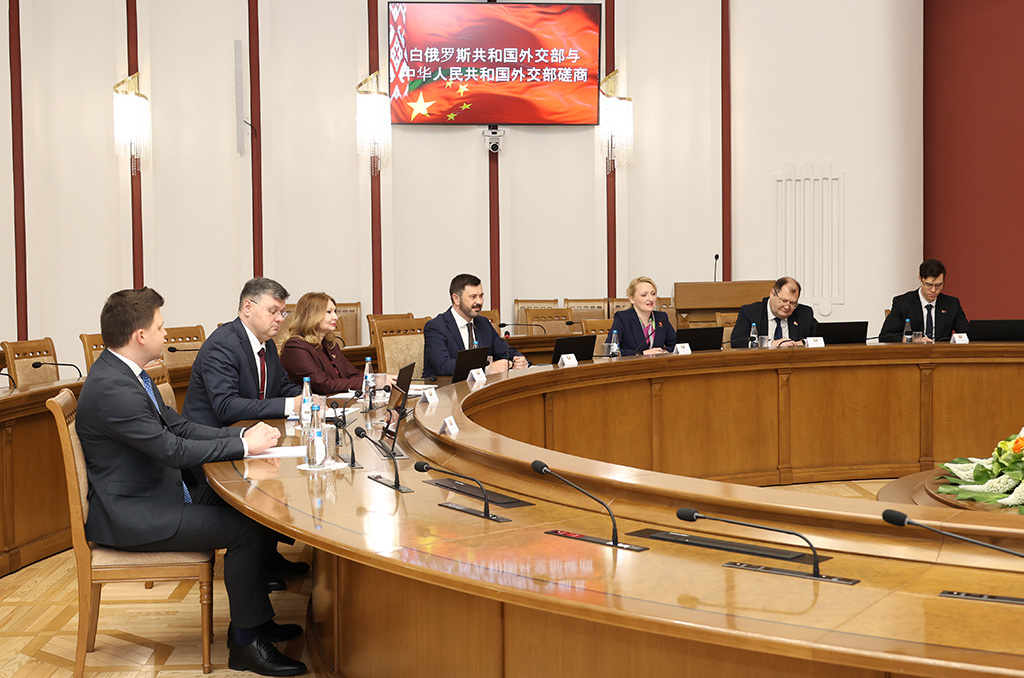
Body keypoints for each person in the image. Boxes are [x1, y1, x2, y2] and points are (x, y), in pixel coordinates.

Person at [76, 288, 307, 676]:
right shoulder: (113, 388)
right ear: (140, 336)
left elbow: (180, 427)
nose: (166, 333)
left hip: (158, 493)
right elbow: (172, 450)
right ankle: (245, 643)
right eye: (161, 327)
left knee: (254, 510)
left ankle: (257, 621)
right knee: (245, 531)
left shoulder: (127, 375)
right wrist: (242, 445)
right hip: (135, 513)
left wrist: (242, 438)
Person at [182, 277, 310, 580]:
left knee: (288, 472)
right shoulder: (223, 344)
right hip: (211, 448)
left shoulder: (267, 345)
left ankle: (267, 556)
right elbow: (226, 407)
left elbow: (281, 387)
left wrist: (307, 399)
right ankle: (257, 564)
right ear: (248, 307)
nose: (280, 319)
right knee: (274, 480)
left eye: (282, 312)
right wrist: (289, 405)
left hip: (247, 439)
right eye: (273, 311)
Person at [279, 292, 395, 394]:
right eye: (329, 312)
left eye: (335, 311)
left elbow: (352, 374)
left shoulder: (330, 344)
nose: (335, 317)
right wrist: (374, 382)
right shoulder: (295, 347)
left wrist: (381, 378)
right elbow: (324, 384)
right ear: (311, 316)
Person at [423, 273, 528, 379]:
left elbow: (505, 351)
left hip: (479, 386)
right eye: (473, 297)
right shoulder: (436, 327)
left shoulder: (483, 323)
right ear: (456, 299)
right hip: (445, 387)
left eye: (481, 296)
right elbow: (443, 365)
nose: (479, 302)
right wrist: (485, 369)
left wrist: (519, 360)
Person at [879, 259, 969, 342]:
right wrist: (913, 340)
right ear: (920, 279)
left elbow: (968, 334)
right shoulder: (903, 303)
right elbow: (885, 336)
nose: (933, 290)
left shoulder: (952, 304)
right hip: (913, 353)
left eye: (938, 285)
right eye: (929, 285)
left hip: (941, 353)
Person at [730, 277, 817, 348]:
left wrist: (803, 342)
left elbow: (821, 337)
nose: (787, 307)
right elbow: (736, 342)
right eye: (783, 301)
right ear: (772, 294)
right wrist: (771, 344)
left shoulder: (804, 313)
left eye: (792, 303)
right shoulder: (750, 312)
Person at [608, 276, 676, 355]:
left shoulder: (661, 318)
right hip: (633, 362)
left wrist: (664, 351)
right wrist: (642, 353)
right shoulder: (623, 318)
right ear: (632, 299)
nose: (651, 299)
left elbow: (676, 345)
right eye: (644, 295)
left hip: (658, 362)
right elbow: (611, 350)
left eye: (653, 294)